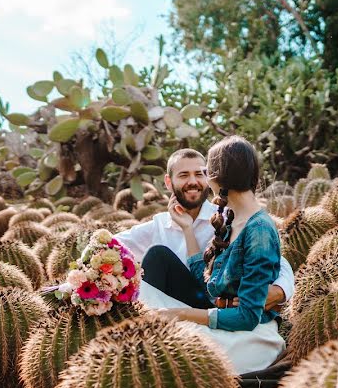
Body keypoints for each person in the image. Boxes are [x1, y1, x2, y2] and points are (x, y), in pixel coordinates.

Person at [133, 137, 286, 374]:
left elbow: (247, 316)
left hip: (243, 333)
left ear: (215, 177)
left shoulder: (259, 229)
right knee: (144, 299)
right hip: (221, 316)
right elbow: (207, 283)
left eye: (204, 172)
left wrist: (183, 313)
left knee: (163, 351)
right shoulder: (231, 219)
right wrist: (186, 228)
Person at [115, 148, 294, 313]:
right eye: (184, 175)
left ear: (209, 178)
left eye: (199, 174)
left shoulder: (227, 217)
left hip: (212, 307)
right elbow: (109, 244)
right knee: (157, 256)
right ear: (169, 182)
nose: (193, 182)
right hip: (169, 315)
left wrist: (280, 291)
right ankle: (149, 329)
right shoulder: (158, 225)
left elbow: (275, 258)